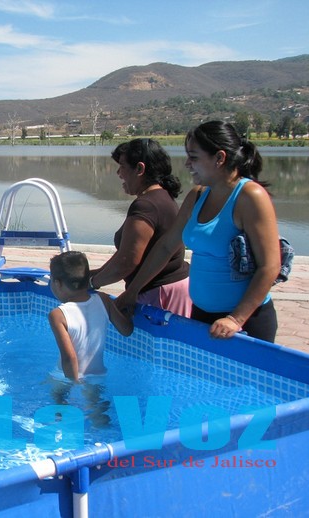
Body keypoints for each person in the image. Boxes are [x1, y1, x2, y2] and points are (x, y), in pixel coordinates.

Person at [117, 121, 281, 342]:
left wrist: (235, 319)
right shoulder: (197, 195)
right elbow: (166, 246)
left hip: (243, 322)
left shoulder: (250, 196)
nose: (187, 164)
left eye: (193, 157)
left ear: (219, 158)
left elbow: (270, 266)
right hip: (202, 315)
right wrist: (133, 291)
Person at [89, 138, 192, 317]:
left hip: (160, 296)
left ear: (139, 169)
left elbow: (127, 261)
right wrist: (97, 273)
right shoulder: (162, 196)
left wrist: (90, 283)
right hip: (170, 289)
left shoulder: (146, 206)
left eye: (122, 166)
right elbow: (127, 252)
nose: (118, 173)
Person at [48, 251, 133, 382]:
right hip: (98, 375)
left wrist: (74, 382)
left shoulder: (58, 315)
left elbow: (69, 357)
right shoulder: (104, 300)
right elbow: (126, 331)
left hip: (66, 376)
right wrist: (128, 313)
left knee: (51, 391)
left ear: (57, 284)